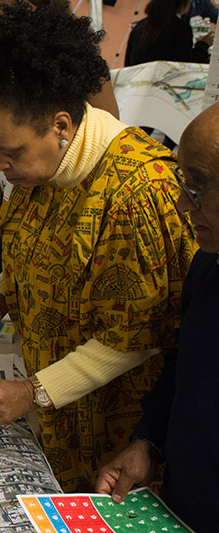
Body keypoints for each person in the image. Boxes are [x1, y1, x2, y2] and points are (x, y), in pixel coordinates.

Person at [0, 2, 196, 492]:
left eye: (10, 151)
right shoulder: (34, 172)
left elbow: (138, 335)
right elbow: (29, 259)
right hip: (55, 410)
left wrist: (33, 392)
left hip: (114, 425)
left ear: (61, 126)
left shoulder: (138, 190)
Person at [95, 103, 219, 533]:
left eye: (198, 187)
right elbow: (185, 368)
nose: (184, 205)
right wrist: (148, 443)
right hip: (184, 505)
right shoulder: (207, 265)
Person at [0, 0, 120, 282]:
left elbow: (106, 151)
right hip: (11, 216)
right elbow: (1, 168)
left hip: (60, 221)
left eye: (11, 8)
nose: (1, 17)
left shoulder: (77, 68)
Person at [125, 0, 213, 66]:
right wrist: (203, 44)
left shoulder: (140, 26)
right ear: (185, 4)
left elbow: (128, 65)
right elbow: (186, 65)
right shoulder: (181, 28)